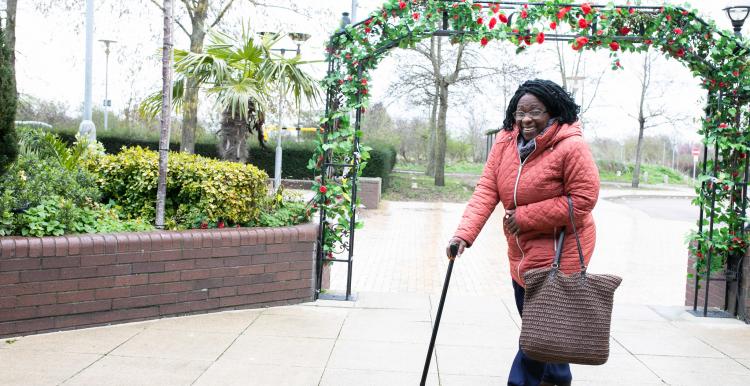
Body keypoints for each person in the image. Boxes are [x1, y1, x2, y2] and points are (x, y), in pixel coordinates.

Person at [446, 79, 600, 386]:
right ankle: (556, 377)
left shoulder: (571, 146)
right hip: (521, 254)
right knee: (544, 330)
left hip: (561, 252)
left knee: (536, 335)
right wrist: (463, 234)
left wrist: (526, 217)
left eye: (536, 112)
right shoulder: (506, 142)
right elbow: (488, 188)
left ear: (554, 112)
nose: (526, 119)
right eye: (520, 112)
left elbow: (584, 198)